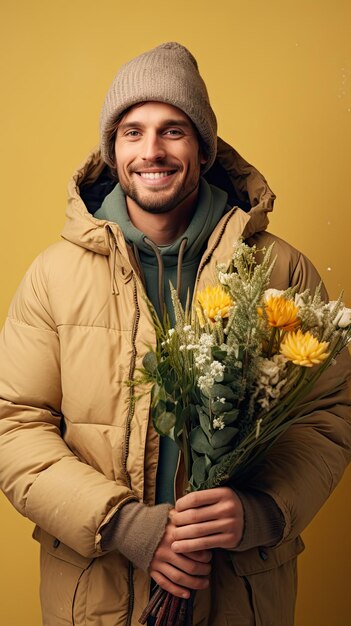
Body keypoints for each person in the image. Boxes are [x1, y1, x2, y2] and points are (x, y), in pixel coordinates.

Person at [0, 42, 350, 626]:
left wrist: (260, 512)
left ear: (204, 149)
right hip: (95, 598)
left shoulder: (279, 271)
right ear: (112, 150)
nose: (152, 151)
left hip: (241, 597)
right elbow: (14, 424)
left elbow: (327, 416)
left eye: (174, 130)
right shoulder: (52, 277)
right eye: (132, 132)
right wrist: (123, 524)